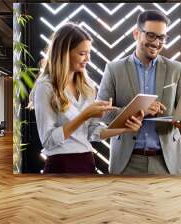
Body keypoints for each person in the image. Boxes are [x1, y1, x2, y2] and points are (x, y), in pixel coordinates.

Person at [97, 10, 181, 175]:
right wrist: (139, 110)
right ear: (137, 34)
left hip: (167, 162)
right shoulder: (114, 69)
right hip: (126, 162)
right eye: (151, 35)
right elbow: (102, 113)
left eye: (162, 37)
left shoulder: (176, 69)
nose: (157, 42)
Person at [28, 23, 144, 174]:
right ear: (64, 53)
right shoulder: (46, 87)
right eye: (82, 54)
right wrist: (84, 115)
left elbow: (92, 132)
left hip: (87, 161)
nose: (87, 59)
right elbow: (48, 141)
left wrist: (124, 128)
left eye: (89, 53)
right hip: (61, 165)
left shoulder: (87, 85)